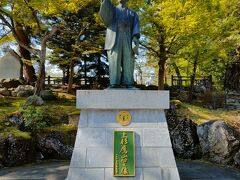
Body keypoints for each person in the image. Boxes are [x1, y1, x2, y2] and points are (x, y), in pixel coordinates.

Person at [100, 0, 140, 88]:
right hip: (114, 38)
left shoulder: (132, 13)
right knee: (114, 61)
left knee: (128, 61)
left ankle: (129, 83)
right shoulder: (112, 10)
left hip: (128, 38)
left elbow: (136, 27)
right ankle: (114, 83)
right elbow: (105, 16)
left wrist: (135, 37)